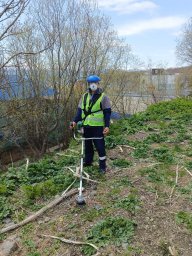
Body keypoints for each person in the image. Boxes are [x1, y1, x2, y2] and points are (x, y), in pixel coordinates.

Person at [70, 75, 111, 173]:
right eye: (91, 83)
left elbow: (107, 112)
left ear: (98, 84)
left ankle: (102, 166)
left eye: (95, 83)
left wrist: (107, 126)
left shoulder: (103, 97)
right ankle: (88, 161)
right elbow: (80, 112)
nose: (93, 85)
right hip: (86, 125)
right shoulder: (84, 96)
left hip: (97, 127)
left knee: (100, 146)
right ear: (88, 84)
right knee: (87, 145)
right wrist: (74, 121)